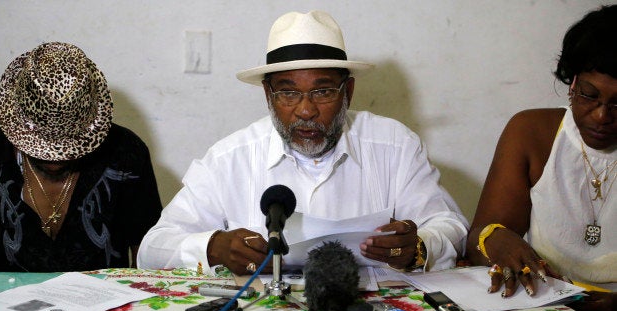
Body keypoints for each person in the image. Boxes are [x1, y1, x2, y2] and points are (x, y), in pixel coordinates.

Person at [138, 10, 468, 276]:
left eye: (323, 91)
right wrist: (213, 247)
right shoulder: (229, 158)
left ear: (347, 92)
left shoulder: (394, 146)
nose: (305, 110)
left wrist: (420, 246)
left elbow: (451, 227)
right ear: (268, 94)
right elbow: (152, 248)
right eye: (288, 92)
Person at [466, 5, 616, 311]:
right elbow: (480, 237)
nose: (602, 115)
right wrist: (494, 239)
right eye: (589, 95)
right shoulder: (533, 134)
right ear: (572, 83)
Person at [0, 42, 163, 272]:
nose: (54, 158)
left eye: (69, 142)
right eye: (42, 142)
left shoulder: (126, 154)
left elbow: (145, 247)